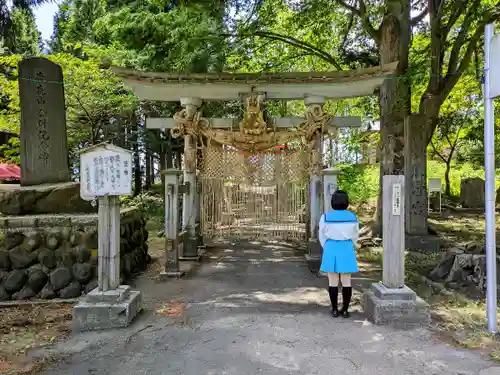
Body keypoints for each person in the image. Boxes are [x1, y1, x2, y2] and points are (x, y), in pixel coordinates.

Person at [318, 190, 359, 318]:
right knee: (347, 281)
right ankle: (345, 310)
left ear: (333, 202)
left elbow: (322, 236)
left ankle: (334, 309)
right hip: (346, 247)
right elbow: (355, 236)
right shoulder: (353, 217)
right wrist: (350, 245)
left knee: (333, 280)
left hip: (331, 247)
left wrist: (328, 247)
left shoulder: (325, 217)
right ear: (347, 202)